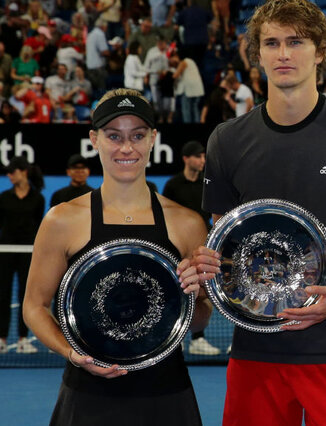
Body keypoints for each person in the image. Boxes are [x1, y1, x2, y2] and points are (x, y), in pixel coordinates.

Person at [192, 0, 326, 424]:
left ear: (320, 51)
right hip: (255, 354)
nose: (283, 53)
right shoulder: (226, 140)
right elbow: (223, 246)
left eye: (295, 41)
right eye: (271, 43)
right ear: (258, 53)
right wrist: (205, 265)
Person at [22, 89, 210, 425]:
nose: (126, 148)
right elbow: (34, 307)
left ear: (153, 138)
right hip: (87, 395)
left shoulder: (187, 223)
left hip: (166, 395)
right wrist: (71, 353)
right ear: (94, 139)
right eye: (114, 136)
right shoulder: (62, 220)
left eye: (137, 135)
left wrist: (194, 297)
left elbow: (199, 320)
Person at [162, 140, 220, 356]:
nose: (202, 160)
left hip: (201, 247)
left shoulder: (206, 184)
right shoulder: (173, 185)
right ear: (186, 159)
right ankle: (174, 336)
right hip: (176, 246)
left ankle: (198, 339)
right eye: (197, 156)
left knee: (203, 292)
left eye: (204, 156)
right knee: (175, 290)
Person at [0, 156, 45, 354]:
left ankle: (22, 339)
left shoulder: (38, 198)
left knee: (26, 296)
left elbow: (37, 225)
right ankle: (1, 339)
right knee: (2, 294)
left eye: (12, 171)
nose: (9, 175)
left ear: (23, 172)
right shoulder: (3, 197)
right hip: (6, 252)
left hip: (28, 252)